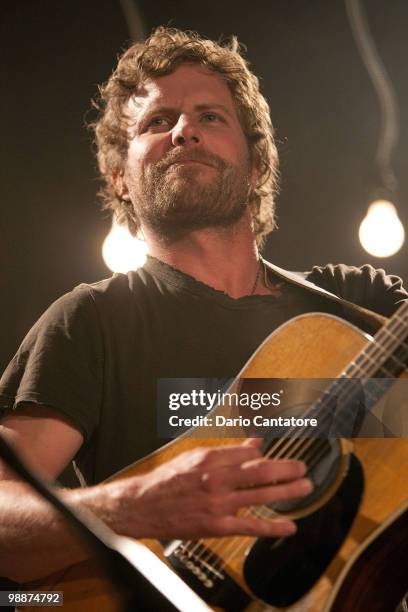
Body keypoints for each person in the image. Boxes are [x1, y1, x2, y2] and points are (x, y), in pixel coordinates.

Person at [0, 26, 406, 587]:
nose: (184, 131)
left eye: (210, 117)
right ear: (120, 179)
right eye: (157, 121)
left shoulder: (362, 306)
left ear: (258, 164)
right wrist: (132, 506)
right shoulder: (89, 322)